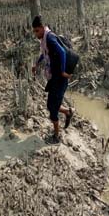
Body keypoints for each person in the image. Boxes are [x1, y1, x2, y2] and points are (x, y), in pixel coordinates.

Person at [31, 15, 73, 144]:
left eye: (37, 31)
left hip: (60, 79)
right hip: (54, 77)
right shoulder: (45, 39)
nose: (35, 34)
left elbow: (62, 52)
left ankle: (56, 136)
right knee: (51, 105)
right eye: (34, 31)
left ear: (43, 28)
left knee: (52, 110)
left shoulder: (49, 38)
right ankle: (67, 112)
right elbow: (46, 54)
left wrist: (63, 71)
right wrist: (37, 63)